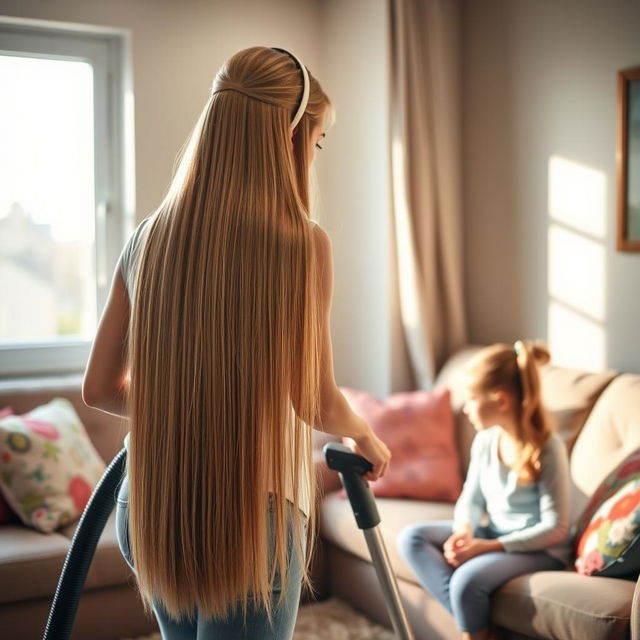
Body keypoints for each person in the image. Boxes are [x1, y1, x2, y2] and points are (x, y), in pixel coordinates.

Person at [82, 46, 391, 640]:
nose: (315, 157)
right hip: (252, 519)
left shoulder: (149, 237)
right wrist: (366, 434)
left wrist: (183, 408)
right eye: (318, 141)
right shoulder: (303, 245)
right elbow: (315, 401)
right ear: (291, 139)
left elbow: (100, 388)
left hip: (150, 506)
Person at [397, 341, 571, 640]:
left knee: (467, 581)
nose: (465, 409)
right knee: (412, 538)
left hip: (541, 549)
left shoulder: (547, 448)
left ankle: (473, 632)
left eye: (471, 399)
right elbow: (472, 497)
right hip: (495, 531)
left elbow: (556, 529)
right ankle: (481, 627)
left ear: (501, 400)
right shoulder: (486, 440)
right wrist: (465, 529)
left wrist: (489, 547)